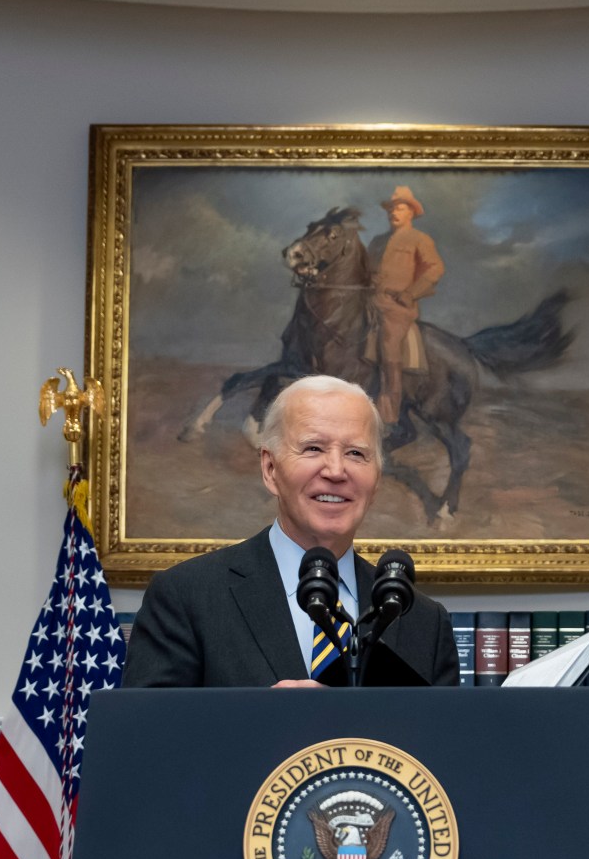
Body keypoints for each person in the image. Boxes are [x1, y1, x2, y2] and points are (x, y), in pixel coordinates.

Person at [122, 375, 459, 688]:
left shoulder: (423, 620)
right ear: (270, 469)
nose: (336, 470)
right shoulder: (187, 597)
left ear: (377, 480)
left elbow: (442, 748)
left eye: (356, 453)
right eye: (313, 448)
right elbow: (149, 740)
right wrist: (268, 723)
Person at [369, 185, 444, 424]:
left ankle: (389, 414)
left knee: (389, 346)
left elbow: (436, 269)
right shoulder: (377, 241)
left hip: (397, 308)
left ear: (411, 212)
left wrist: (411, 293)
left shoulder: (420, 239)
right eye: (391, 208)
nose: (393, 212)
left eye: (399, 208)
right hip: (369, 301)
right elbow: (366, 270)